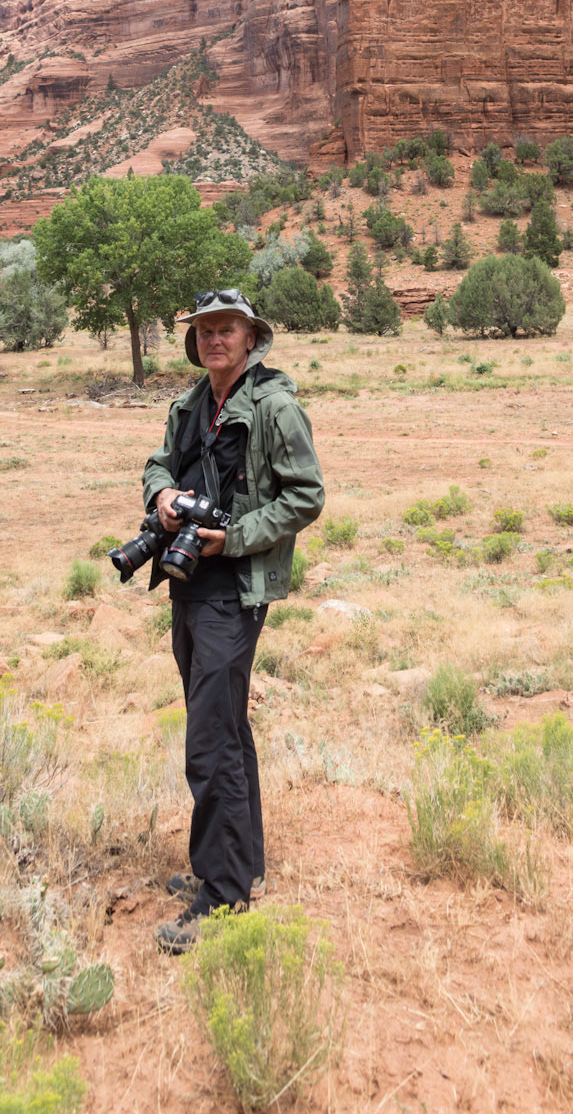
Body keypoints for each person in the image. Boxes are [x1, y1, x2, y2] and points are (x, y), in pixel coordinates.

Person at [141, 287, 324, 953]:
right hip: (189, 580)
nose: (214, 340)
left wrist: (236, 535)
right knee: (224, 727)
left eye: (227, 330)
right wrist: (161, 493)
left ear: (252, 338)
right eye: (204, 331)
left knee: (210, 741)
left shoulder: (274, 405)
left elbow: (306, 496)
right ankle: (239, 865)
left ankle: (219, 898)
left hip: (236, 585)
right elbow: (160, 460)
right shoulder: (191, 404)